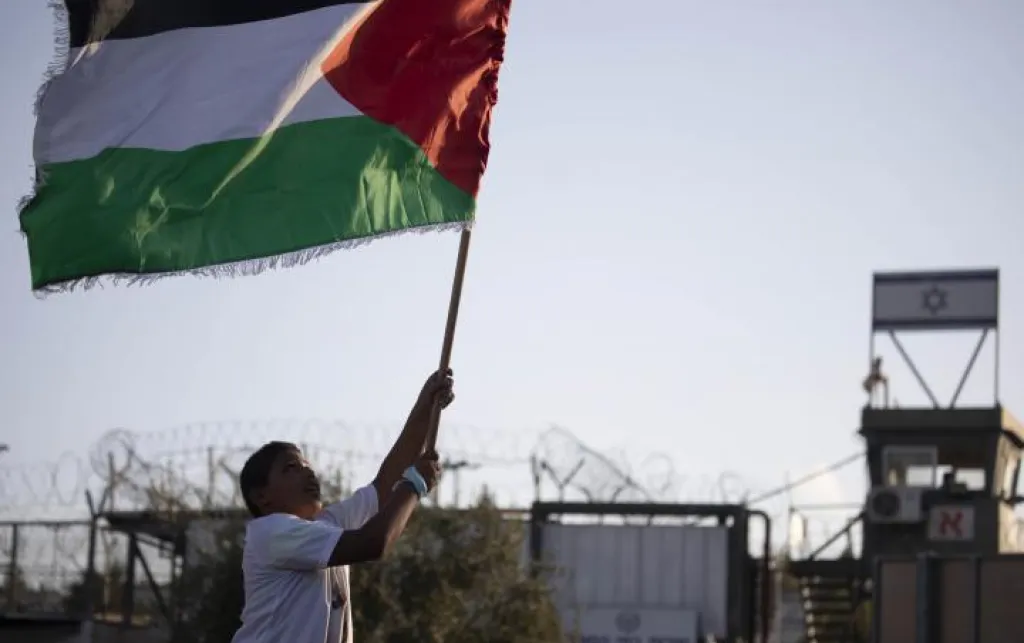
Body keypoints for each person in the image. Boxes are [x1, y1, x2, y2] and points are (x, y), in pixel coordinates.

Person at [230, 369, 455, 643]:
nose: (308, 473)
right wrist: (415, 484)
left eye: (307, 465)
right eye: (291, 468)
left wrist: (426, 407)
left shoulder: (327, 526)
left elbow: (384, 487)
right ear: (261, 496)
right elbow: (374, 542)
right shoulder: (272, 533)